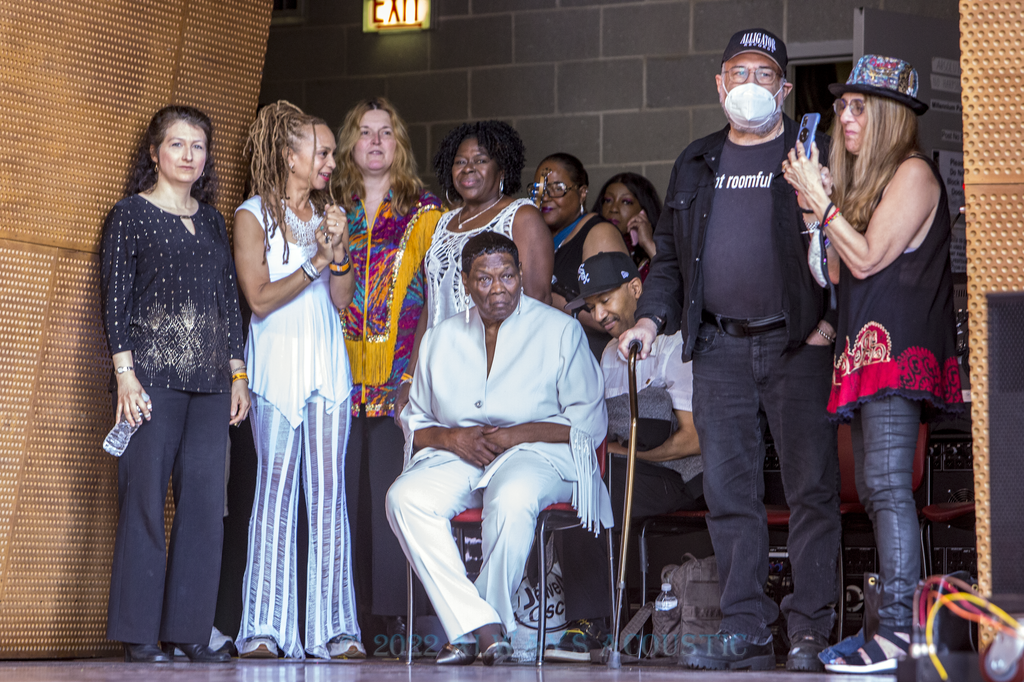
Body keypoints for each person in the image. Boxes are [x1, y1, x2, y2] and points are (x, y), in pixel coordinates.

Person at [618, 28, 842, 672]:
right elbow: (668, 258)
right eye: (738, 72)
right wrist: (650, 321)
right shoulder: (696, 160)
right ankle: (746, 627)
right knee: (729, 493)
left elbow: (850, 240)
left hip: (797, 344)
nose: (750, 84)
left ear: (784, 88)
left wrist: (831, 321)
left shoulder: (810, 152)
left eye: (763, 73)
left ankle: (809, 628)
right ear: (719, 86)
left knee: (811, 491)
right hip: (718, 346)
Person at [783, 55, 963, 674]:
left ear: (888, 116)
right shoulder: (870, 182)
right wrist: (818, 210)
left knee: (887, 488)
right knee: (876, 490)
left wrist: (823, 204)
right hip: (866, 353)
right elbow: (837, 272)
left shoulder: (914, 173)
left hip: (897, 351)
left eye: (858, 107)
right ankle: (892, 632)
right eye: (842, 106)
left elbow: (864, 260)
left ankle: (899, 635)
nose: (845, 117)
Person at [387, 232, 612, 666]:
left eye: (507, 276)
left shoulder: (559, 330)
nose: (498, 289)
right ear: (465, 282)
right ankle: (484, 626)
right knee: (404, 498)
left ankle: (474, 630)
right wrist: (453, 439)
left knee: (511, 494)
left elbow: (588, 421)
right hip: (463, 454)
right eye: (484, 279)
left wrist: (515, 435)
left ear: (521, 275)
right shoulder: (440, 338)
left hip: (540, 455)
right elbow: (416, 422)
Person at [101, 105, 247, 664]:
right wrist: (124, 376)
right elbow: (114, 300)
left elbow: (227, 303)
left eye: (198, 146)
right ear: (155, 152)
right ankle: (139, 635)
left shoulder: (212, 220)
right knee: (143, 502)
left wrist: (237, 373)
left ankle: (188, 631)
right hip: (150, 383)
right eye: (177, 144)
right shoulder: (130, 215)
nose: (189, 155)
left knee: (205, 508)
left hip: (211, 385)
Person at [232, 100, 361, 660]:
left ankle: (335, 629)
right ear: (290, 155)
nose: (331, 162)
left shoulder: (330, 215)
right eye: (323, 152)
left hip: (327, 366)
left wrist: (339, 253)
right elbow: (259, 300)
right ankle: (264, 626)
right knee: (275, 492)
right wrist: (314, 261)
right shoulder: (252, 215)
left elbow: (341, 299)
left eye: (331, 153)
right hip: (276, 365)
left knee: (330, 496)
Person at [546, 251, 703, 662]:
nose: (599, 314)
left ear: (636, 288)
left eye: (605, 299)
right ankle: (589, 619)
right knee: (574, 480)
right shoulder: (607, 356)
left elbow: (693, 441)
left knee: (595, 487)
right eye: (591, 306)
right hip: (627, 471)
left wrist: (624, 455)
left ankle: (594, 623)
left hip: (676, 477)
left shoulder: (674, 346)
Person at [330, 97, 443, 637]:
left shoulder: (425, 212)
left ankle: (402, 621)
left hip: (399, 378)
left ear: (399, 143)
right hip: (336, 376)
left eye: (386, 132)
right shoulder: (331, 208)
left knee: (390, 498)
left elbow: (437, 303)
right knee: (344, 501)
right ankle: (349, 618)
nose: (375, 141)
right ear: (350, 143)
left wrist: (413, 376)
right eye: (365, 131)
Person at [426, 121, 552, 329]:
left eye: (480, 160)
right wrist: (422, 349)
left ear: (501, 170)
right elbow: (432, 299)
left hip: (497, 346)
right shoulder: (444, 222)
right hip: (443, 346)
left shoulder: (521, 216)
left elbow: (538, 299)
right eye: (460, 162)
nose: (468, 168)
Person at [531, 153, 629, 358]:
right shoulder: (539, 237)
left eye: (557, 188)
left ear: (582, 192)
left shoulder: (598, 232)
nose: (545, 197)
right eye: (539, 189)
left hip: (591, 360)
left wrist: (546, 298)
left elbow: (618, 316)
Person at [592, 172, 662, 278]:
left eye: (626, 202)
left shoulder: (655, 253)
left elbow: (672, 280)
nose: (613, 209)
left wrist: (648, 244)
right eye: (608, 200)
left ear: (644, 210)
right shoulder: (590, 246)